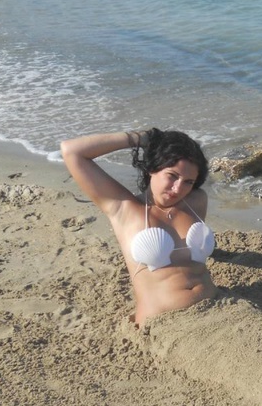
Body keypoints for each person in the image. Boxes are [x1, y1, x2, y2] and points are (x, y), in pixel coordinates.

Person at [61, 128, 220, 325]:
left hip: (220, 306)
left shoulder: (196, 201)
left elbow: (185, 253)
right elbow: (72, 151)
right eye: (172, 175)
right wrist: (145, 138)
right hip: (164, 323)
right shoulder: (123, 208)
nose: (178, 188)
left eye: (188, 182)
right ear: (152, 168)